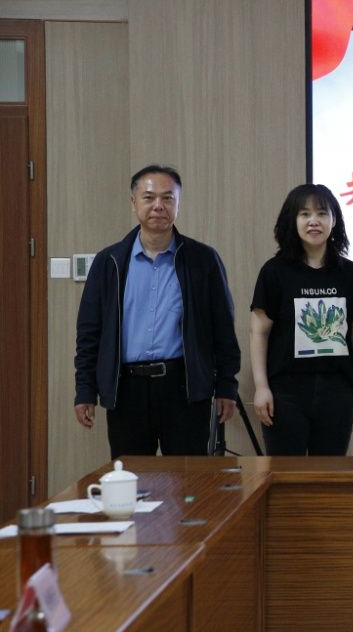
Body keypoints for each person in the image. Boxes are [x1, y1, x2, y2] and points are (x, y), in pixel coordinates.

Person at [74, 165, 240, 458]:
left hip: (184, 388)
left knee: (189, 479)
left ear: (178, 203)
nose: (158, 206)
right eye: (149, 197)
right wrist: (85, 389)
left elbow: (223, 328)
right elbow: (89, 332)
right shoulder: (109, 261)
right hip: (127, 390)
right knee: (132, 479)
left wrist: (226, 385)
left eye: (168, 198)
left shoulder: (203, 260)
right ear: (134, 202)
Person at [249, 184, 353, 455]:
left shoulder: (351, 274)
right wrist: (261, 387)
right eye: (304, 214)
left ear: (334, 220)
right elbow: (259, 332)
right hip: (285, 392)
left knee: (329, 473)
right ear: (292, 221)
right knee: (284, 473)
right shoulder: (274, 272)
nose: (313, 221)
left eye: (322, 213)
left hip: (337, 391)